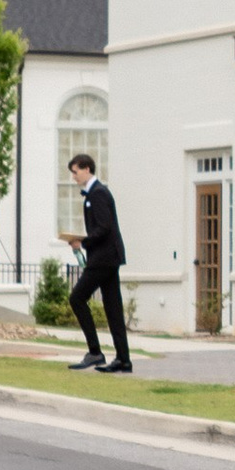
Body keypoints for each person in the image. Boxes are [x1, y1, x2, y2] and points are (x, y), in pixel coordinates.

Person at [65, 155, 131, 372]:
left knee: (77, 298)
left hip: (103, 258)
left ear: (86, 169)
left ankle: (95, 352)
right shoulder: (94, 194)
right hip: (108, 257)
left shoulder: (98, 193)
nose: (74, 176)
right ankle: (123, 360)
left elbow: (104, 228)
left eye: (75, 172)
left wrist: (82, 241)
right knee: (113, 308)